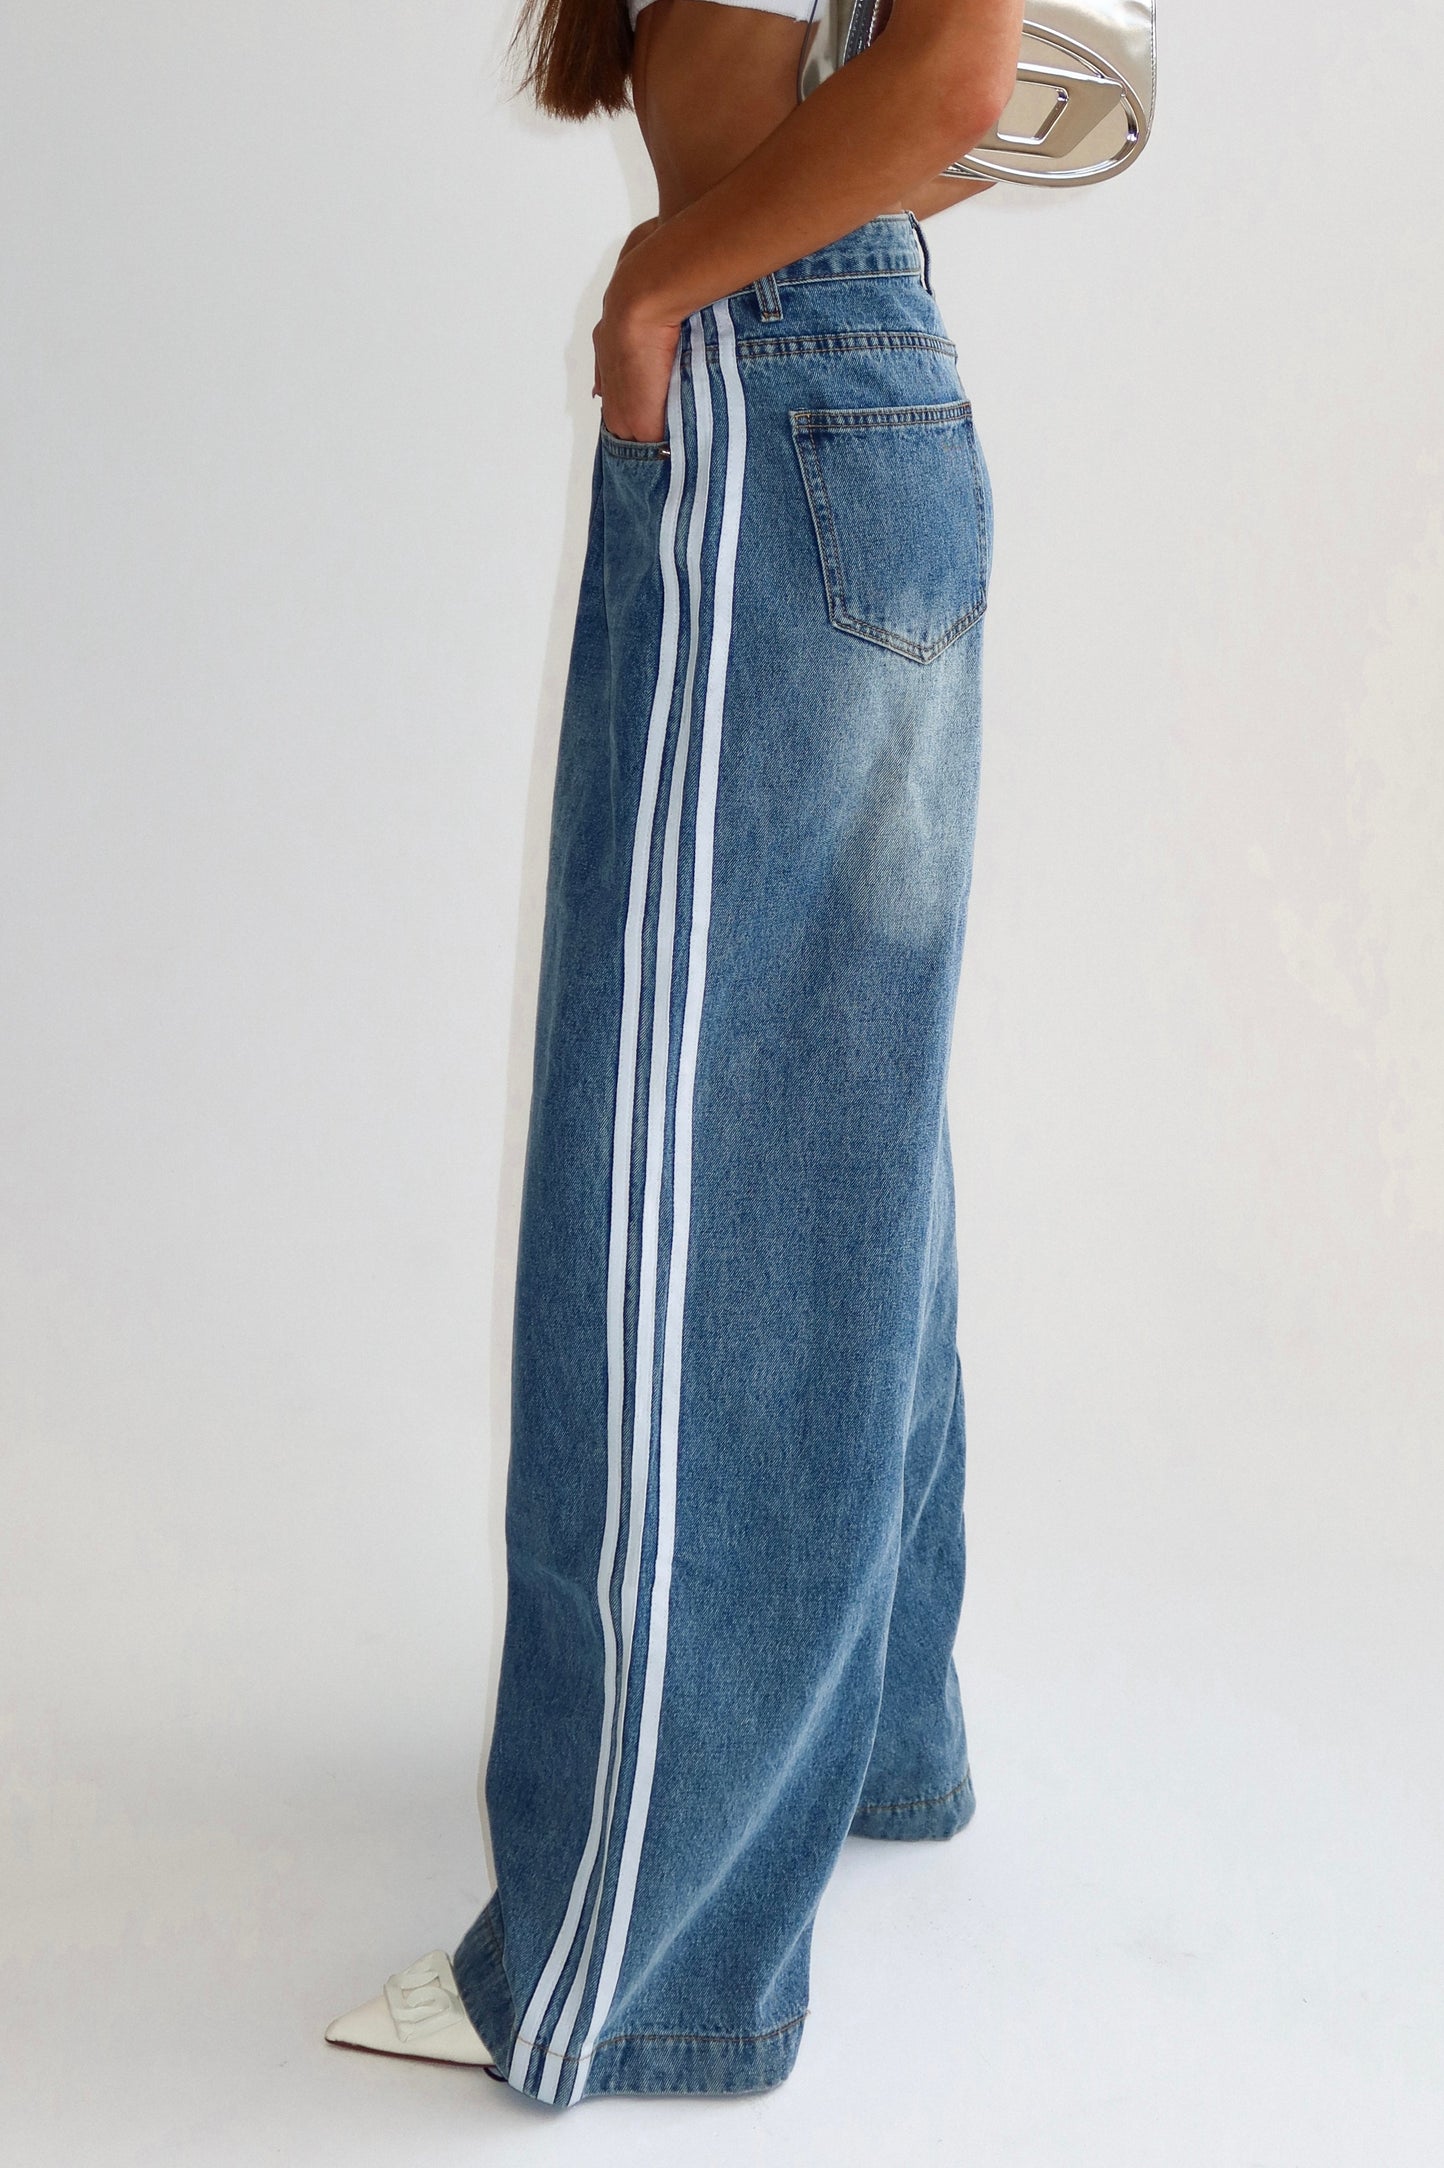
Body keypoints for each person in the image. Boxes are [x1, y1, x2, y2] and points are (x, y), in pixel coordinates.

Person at [326, 0, 1022, 2106]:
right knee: (828, 1131)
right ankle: (861, 1737)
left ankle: (632, 1958)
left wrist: (656, 286)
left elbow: (956, 84)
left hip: (777, 393)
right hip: (851, 395)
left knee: (683, 1179)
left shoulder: (708, 300)